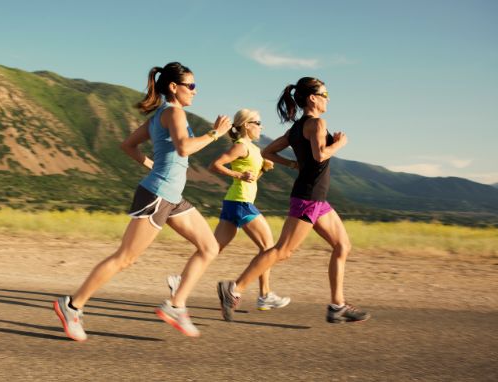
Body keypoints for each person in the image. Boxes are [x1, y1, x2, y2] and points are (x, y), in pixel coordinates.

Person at [53, 62, 232, 341]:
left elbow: (128, 145)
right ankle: (72, 306)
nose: (195, 92)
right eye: (192, 86)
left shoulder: (160, 115)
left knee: (209, 247)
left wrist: (152, 163)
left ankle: (176, 305)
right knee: (125, 258)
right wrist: (215, 134)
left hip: (172, 197)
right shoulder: (173, 113)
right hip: (157, 196)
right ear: (174, 87)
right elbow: (184, 147)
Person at [216, 77, 370, 324]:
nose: (327, 98)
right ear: (313, 98)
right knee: (283, 250)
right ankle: (234, 289)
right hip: (308, 197)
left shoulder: (297, 128)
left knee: (343, 246)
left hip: (317, 199)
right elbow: (320, 156)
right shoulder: (317, 123)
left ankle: (337, 305)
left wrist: (293, 164)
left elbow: (268, 152)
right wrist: (339, 143)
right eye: (325, 94)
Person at [166, 108, 291, 311]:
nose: (261, 127)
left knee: (213, 248)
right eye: (258, 123)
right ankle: (265, 295)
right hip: (240, 203)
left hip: (235, 202)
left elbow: (250, 179)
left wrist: (262, 171)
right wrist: (238, 175)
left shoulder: (253, 148)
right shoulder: (241, 146)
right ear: (247, 125)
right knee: (269, 248)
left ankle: (179, 281)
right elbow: (214, 165)